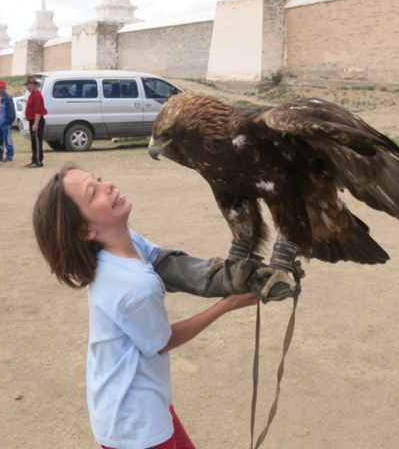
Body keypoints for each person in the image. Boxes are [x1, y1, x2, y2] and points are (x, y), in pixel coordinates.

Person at [33, 164, 282, 449]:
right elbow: (162, 341)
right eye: (94, 193)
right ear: (86, 229)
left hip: (139, 399)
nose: (108, 185)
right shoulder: (134, 285)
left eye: (99, 179)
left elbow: (163, 261)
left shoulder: (121, 244)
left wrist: (223, 278)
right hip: (134, 420)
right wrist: (227, 304)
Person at [24, 75, 47, 168]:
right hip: (32, 120)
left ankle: (38, 161)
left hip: (36, 121)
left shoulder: (37, 95)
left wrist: (36, 124)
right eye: (27, 85)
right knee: (33, 141)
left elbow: (38, 111)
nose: (28, 87)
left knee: (37, 141)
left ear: (35, 85)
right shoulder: (32, 95)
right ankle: (34, 159)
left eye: (30, 84)